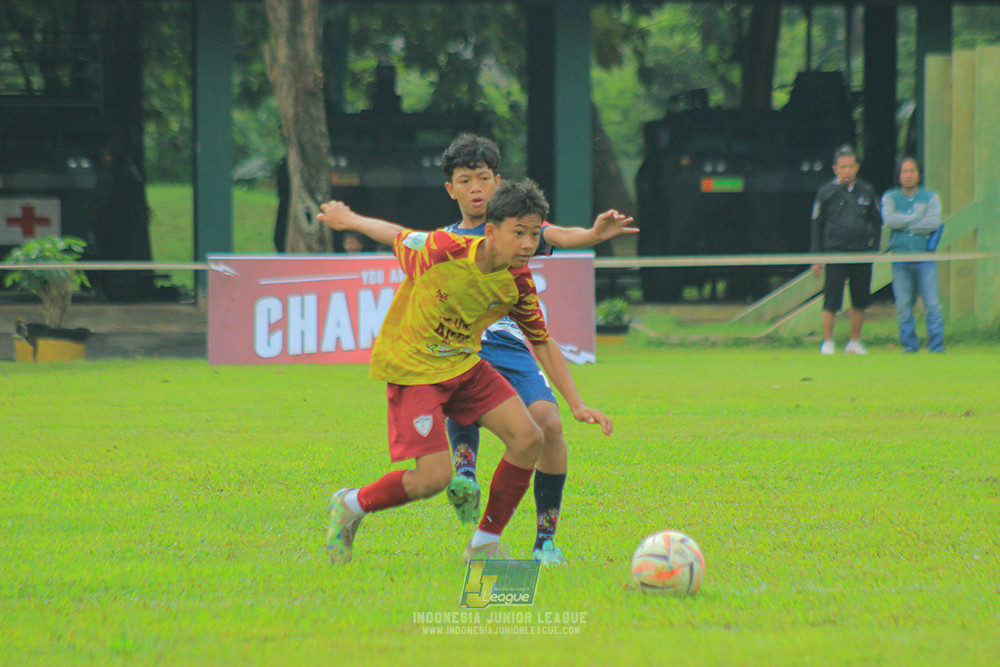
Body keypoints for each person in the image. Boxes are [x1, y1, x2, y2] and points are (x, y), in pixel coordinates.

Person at [316, 179, 613, 566]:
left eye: (534, 233)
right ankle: (350, 504)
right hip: (415, 370)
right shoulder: (442, 251)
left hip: (464, 366)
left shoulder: (517, 282)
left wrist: (577, 404)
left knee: (528, 438)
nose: (528, 244)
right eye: (518, 233)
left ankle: (484, 546)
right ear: (491, 231)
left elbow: (541, 340)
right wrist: (348, 218)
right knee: (432, 479)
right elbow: (395, 234)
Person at [437, 134, 635, 566]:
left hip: (508, 341)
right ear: (451, 189)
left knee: (549, 424)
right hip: (462, 344)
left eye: (484, 178)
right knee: (463, 385)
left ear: (498, 182)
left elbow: (560, 236)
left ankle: (545, 540)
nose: (476, 188)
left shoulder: (518, 225)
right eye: (465, 180)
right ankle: (466, 473)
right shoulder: (444, 243)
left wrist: (592, 234)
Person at [810, 145, 883, 355]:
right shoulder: (825, 193)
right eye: (843, 167)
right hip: (835, 252)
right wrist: (816, 257)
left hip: (861, 253)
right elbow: (816, 225)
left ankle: (854, 342)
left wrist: (874, 249)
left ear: (857, 167)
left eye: (851, 166)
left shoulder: (867, 191)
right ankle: (828, 342)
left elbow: (877, 222)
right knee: (831, 299)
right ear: (835, 168)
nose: (847, 171)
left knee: (860, 298)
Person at [881, 157, 945, 353]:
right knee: (903, 305)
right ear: (899, 175)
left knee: (932, 304)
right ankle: (909, 346)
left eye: (912, 171)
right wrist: (917, 218)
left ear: (919, 174)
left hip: (924, 258)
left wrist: (905, 224)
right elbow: (890, 219)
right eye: (904, 172)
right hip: (899, 258)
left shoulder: (931, 196)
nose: (908, 175)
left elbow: (933, 222)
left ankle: (936, 347)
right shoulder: (890, 196)